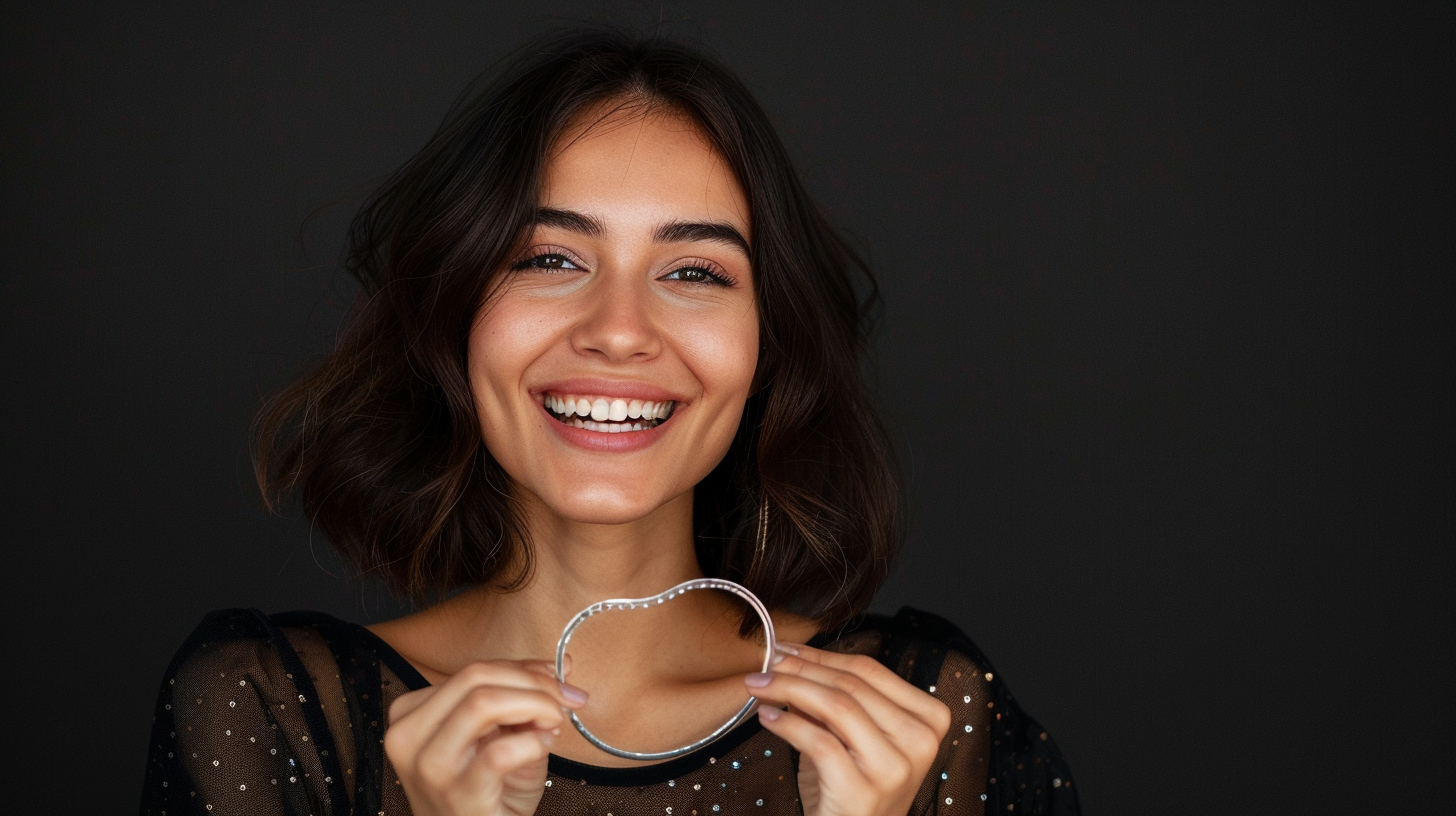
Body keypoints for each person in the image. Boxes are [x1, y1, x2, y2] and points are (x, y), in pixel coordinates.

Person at [139, 28, 1079, 816]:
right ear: (453, 314)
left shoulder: (934, 713)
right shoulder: (268, 710)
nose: (620, 332)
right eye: (550, 259)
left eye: (694, 272)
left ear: (765, 351)